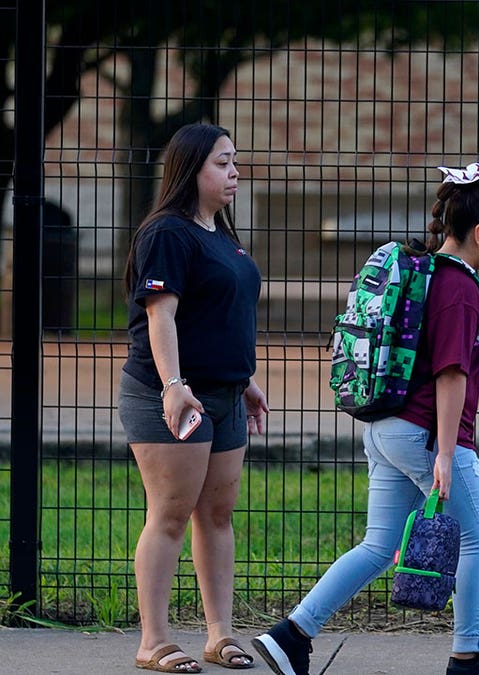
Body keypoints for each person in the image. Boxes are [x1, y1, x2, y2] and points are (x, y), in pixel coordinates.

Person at [252, 163, 479, 675]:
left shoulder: (421, 274)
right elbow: (450, 373)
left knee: (379, 545)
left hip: (384, 429)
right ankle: (468, 658)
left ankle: (292, 634)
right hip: (425, 433)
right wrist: (445, 452)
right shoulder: (460, 288)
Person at [118, 122, 269, 672]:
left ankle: (219, 635)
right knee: (171, 513)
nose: (234, 172)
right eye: (222, 163)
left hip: (226, 395)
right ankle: (153, 641)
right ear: (190, 170)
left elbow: (221, 313)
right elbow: (161, 318)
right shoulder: (167, 233)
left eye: (234, 161)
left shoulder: (218, 233)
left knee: (218, 515)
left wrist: (243, 380)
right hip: (172, 395)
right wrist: (174, 386)